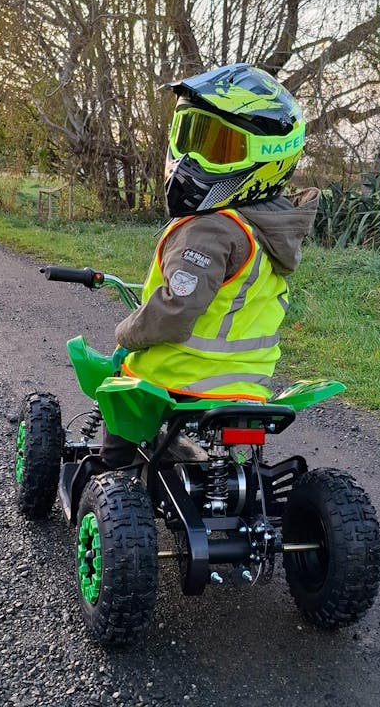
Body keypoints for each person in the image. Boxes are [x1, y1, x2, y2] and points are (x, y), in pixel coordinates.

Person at [102, 62, 318, 467]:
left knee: (120, 403)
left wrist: (127, 334)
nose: (190, 158)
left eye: (220, 148)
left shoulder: (211, 228)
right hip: (248, 384)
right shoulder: (269, 228)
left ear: (267, 159)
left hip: (181, 376)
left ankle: (109, 480)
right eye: (191, 136)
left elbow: (176, 309)